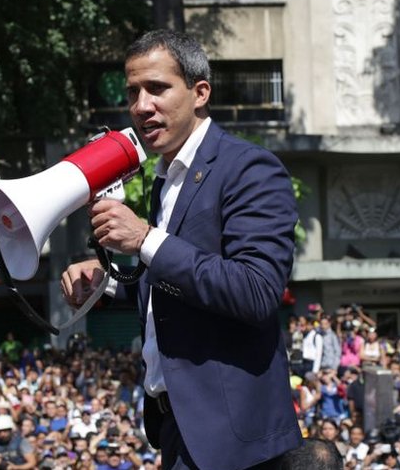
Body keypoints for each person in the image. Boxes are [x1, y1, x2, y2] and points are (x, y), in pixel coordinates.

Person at [61, 29, 301, 469]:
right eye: (133, 92)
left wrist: (146, 240)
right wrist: (108, 283)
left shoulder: (250, 168)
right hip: (179, 430)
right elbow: (174, 291)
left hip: (234, 443)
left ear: (200, 92)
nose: (141, 106)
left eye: (157, 88)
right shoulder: (165, 180)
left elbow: (257, 291)